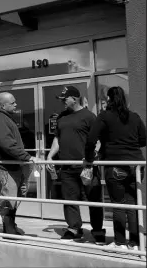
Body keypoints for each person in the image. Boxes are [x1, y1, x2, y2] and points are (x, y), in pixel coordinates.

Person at [85, 86, 146, 250]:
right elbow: (143, 140)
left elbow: (91, 139)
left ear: (109, 100)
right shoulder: (134, 116)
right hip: (136, 166)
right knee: (132, 204)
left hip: (115, 165)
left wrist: (89, 159)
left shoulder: (104, 116)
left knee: (118, 204)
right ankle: (134, 243)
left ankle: (120, 242)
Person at [47, 86, 104, 243]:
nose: (63, 102)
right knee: (70, 199)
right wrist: (50, 156)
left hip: (87, 167)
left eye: (65, 99)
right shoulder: (61, 118)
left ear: (75, 99)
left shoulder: (89, 116)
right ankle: (74, 228)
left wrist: (93, 158)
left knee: (94, 199)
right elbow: (57, 139)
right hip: (67, 167)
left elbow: (98, 140)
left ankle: (98, 229)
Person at [0, 92, 39, 235]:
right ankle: (9, 230)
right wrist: (27, 157)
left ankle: (10, 227)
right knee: (8, 199)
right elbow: (5, 143)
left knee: (14, 197)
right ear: (3, 105)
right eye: (13, 103)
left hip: (13, 165)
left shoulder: (4, 118)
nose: (16, 105)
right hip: (5, 166)